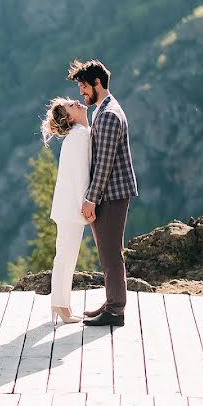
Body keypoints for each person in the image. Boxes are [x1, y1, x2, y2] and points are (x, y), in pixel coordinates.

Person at [67, 59, 137, 327]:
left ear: (98, 83)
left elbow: (104, 163)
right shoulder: (105, 109)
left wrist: (90, 199)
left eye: (84, 87)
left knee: (110, 252)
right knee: (108, 250)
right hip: (110, 193)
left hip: (111, 194)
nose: (81, 93)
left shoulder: (107, 115)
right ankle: (111, 303)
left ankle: (116, 310)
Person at [41, 97, 92, 326]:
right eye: (72, 105)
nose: (77, 103)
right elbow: (82, 174)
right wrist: (87, 203)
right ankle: (61, 306)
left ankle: (62, 304)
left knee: (65, 255)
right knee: (66, 257)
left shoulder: (78, 135)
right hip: (72, 206)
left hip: (67, 205)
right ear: (70, 117)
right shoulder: (81, 135)